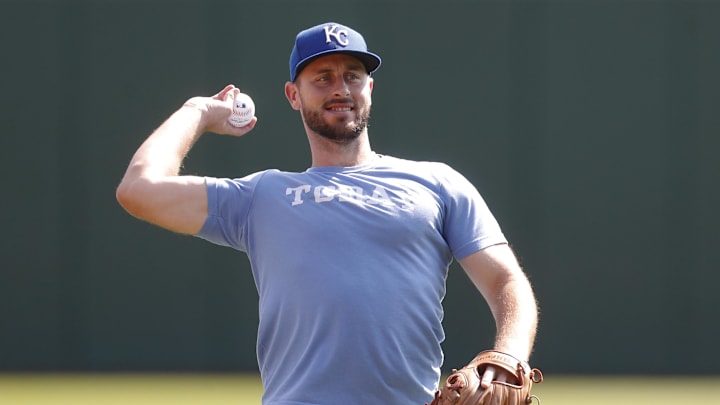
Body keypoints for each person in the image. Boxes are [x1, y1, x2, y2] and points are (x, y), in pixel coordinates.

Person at [116, 22, 538, 405]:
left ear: (370, 87)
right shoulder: (262, 195)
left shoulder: (437, 183)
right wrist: (197, 112)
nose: (340, 88)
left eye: (352, 75)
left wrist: (509, 356)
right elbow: (138, 190)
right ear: (293, 96)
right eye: (322, 77)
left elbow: (506, 279)